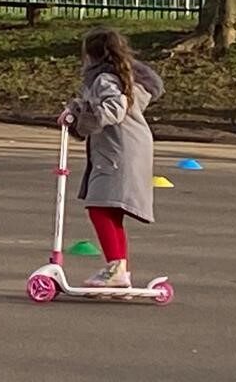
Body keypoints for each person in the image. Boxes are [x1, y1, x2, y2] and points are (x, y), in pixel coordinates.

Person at [62, 27, 164, 288]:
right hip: (128, 148)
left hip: (118, 151)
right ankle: (119, 268)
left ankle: (116, 266)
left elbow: (113, 109)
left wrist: (77, 114)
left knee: (99, 206)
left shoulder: (105, 79)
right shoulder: (125, 76)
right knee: (111, 208)